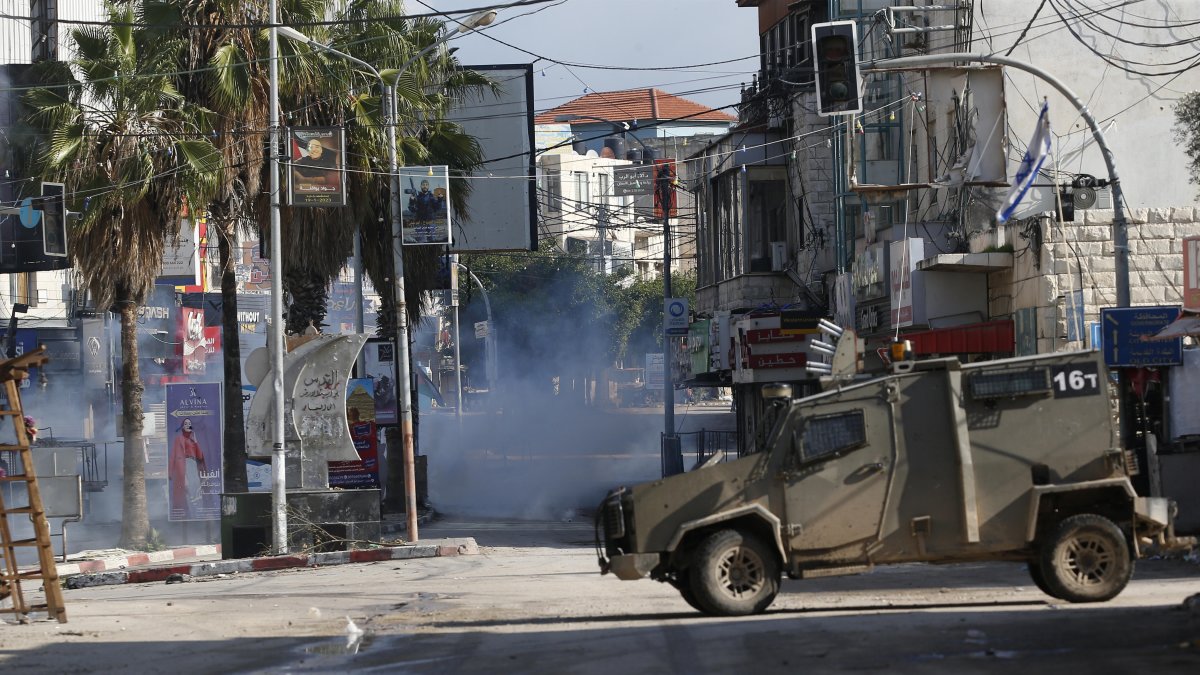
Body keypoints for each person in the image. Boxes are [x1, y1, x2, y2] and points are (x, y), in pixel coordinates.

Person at [170, 418, 208, 515]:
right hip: (184, 464)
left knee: (195, 489)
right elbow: (173, 455)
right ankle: (191, 512)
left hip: (193, 464)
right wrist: (170, 472)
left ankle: (197, 512)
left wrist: (195, 441)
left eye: (189, 423)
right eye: (186, 423)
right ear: (182, 427)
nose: (188, 425)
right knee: (187, 488)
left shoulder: (192, 440)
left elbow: (199, 456)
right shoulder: (178, 439)